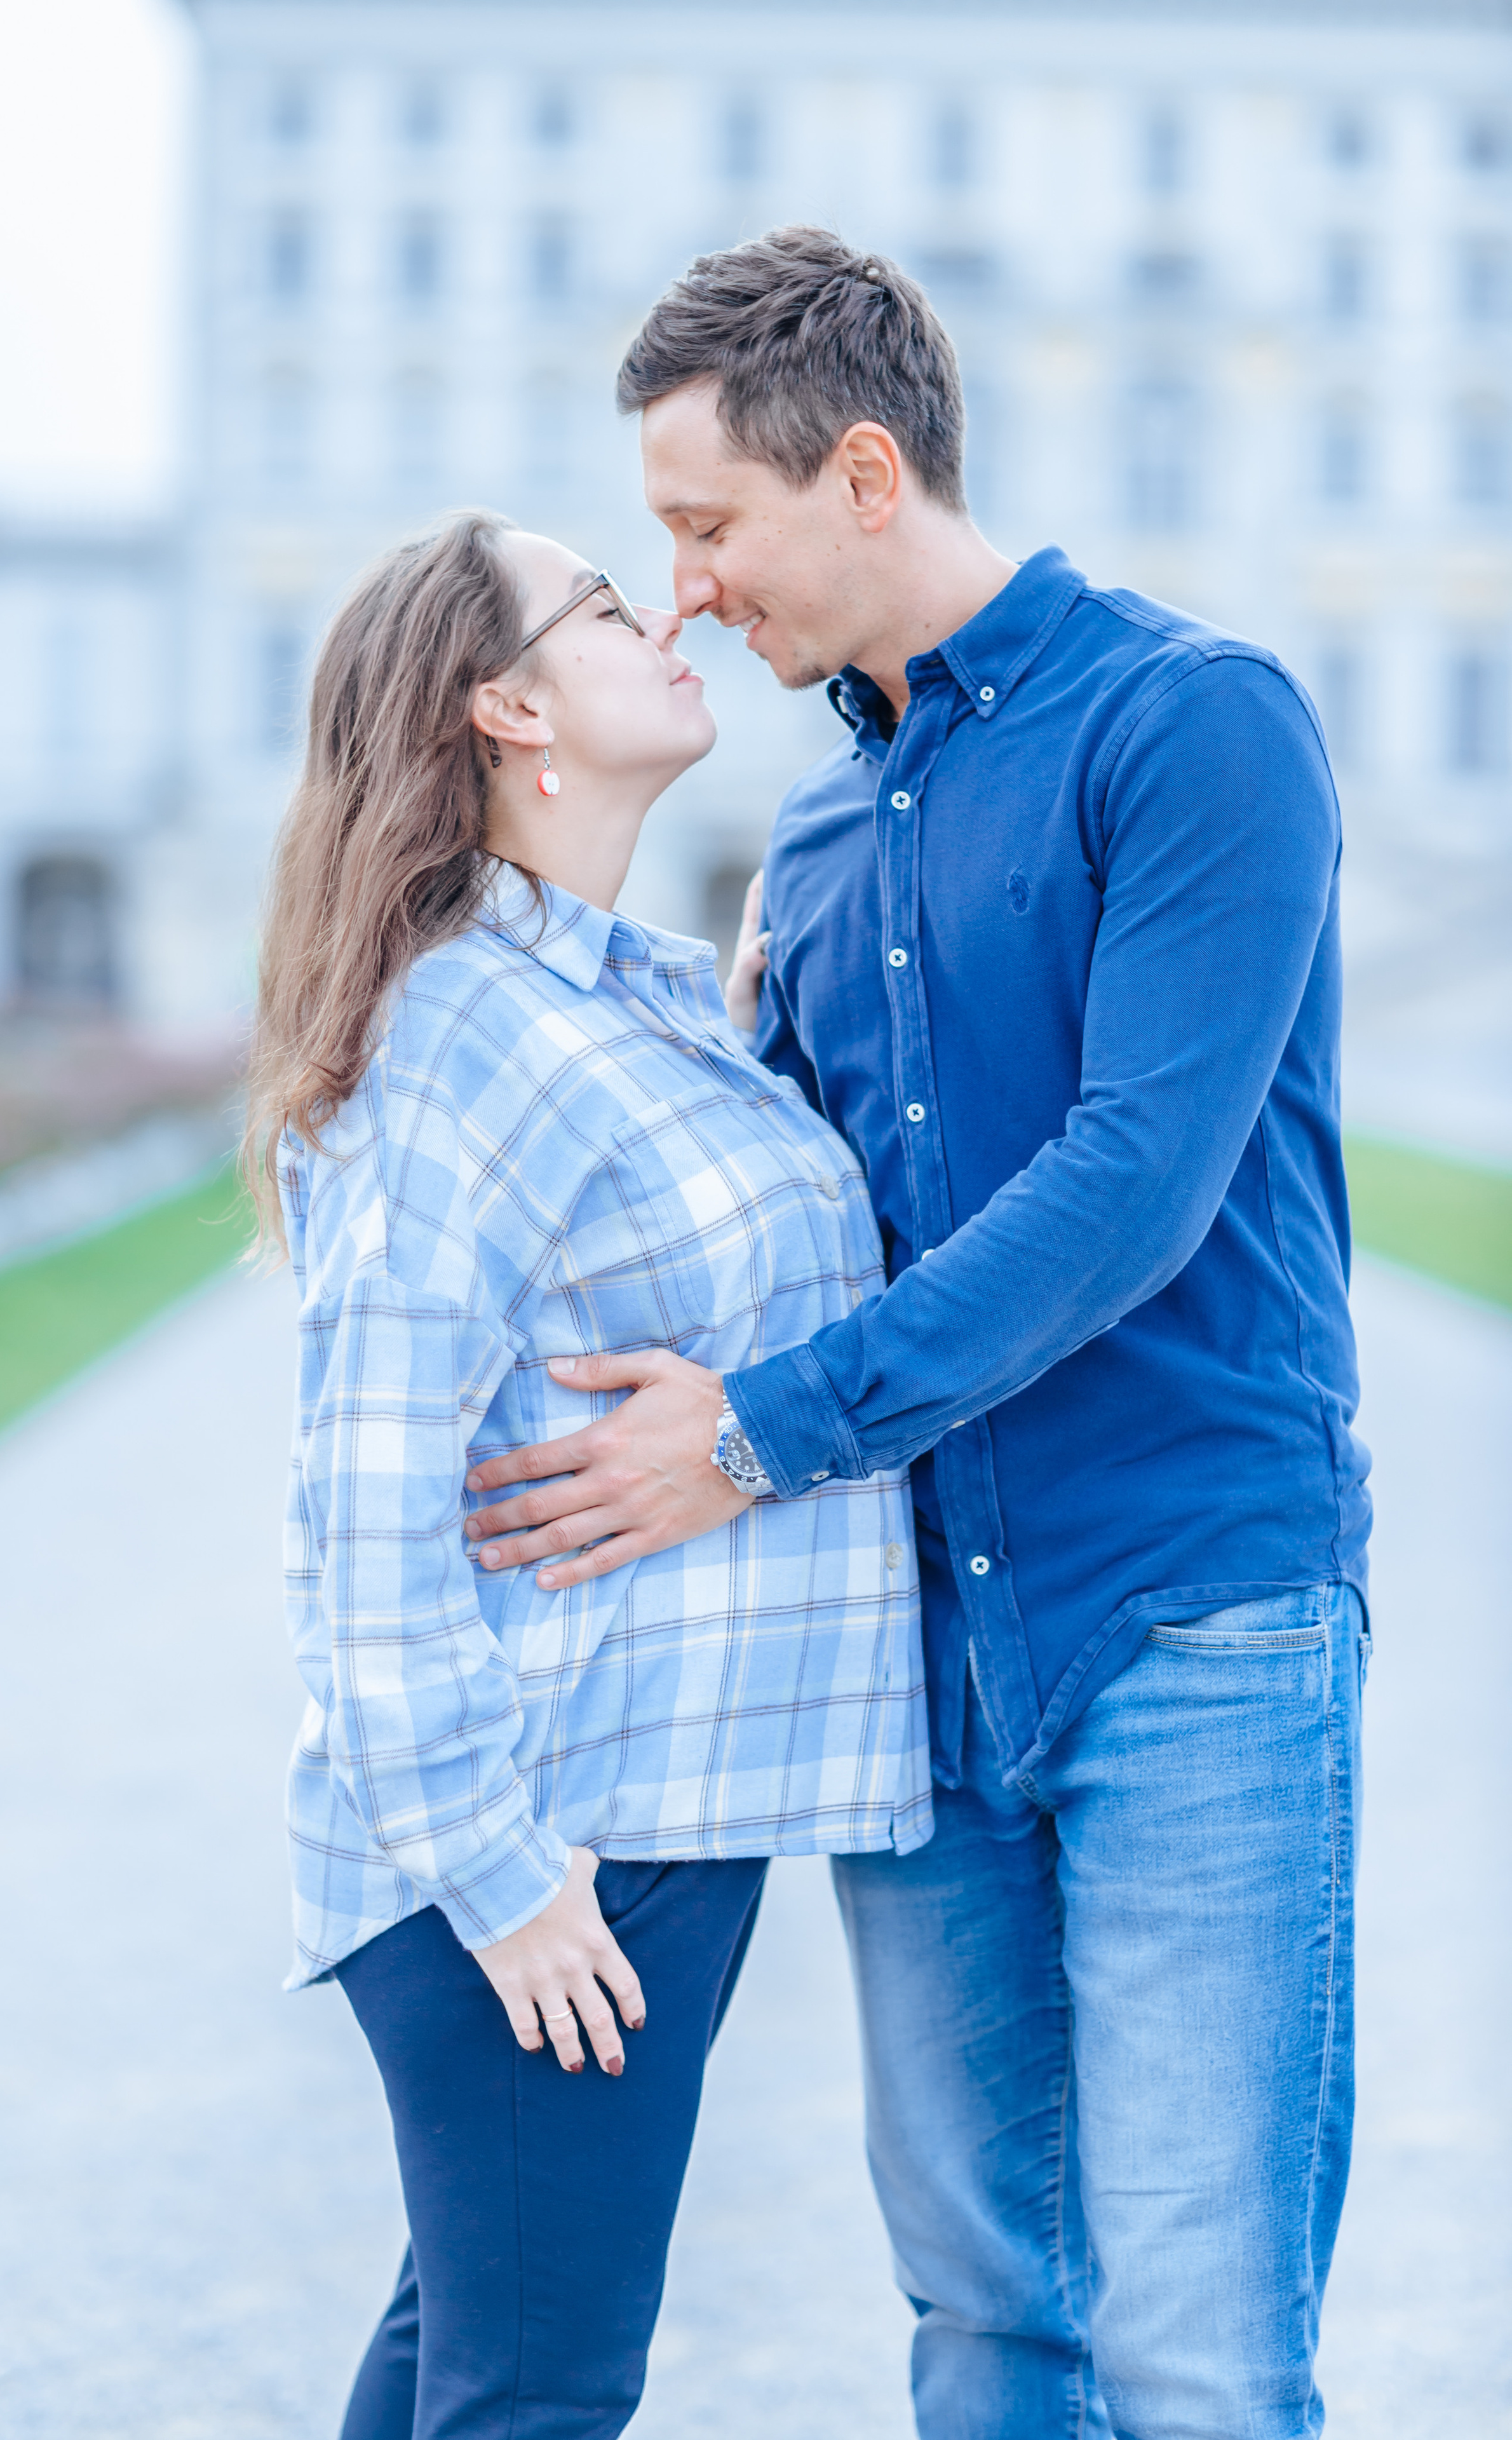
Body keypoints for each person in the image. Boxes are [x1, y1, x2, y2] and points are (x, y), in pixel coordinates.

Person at [461, 230, 1373, 2439]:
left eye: (705, 528)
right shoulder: (823, 811)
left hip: (1195, 1625)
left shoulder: (1194, 725)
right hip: (921, 1674)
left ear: (865, 474)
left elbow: (1128, 1194)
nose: (678, 591)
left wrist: (757, 1436)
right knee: (980, 2327)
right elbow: (791, 1211)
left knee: (1194, 2361)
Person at [242, 507, 931, 2440]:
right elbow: (355, 1513)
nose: (676, 610)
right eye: (615, 605)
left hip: (625, 1818)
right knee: (537, 2391)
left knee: (476, 2361)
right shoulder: (463, 1034)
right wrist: (504, 1881)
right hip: (557, 1840)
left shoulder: (597, 994)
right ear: (508, 702)